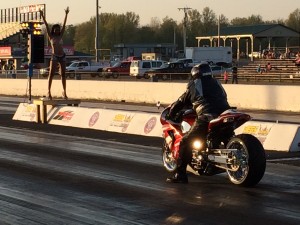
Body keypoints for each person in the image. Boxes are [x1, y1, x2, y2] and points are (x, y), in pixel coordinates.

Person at [166, 62, 231, 183]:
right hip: (224, 113)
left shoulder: (194, 84)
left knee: (185, 142)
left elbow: (181, 101)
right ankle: (216, 163)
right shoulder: (216, 82)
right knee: (222, 135)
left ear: (195, 73)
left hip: (207, 115)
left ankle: (180, 175)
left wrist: (171, 113)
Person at [40, 7, 70, 100]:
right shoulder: (51, 36)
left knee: (63, 74)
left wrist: (66, 15)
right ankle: (48, 91)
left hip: (62, 55)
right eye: (56, 29)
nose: (57, 30)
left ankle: (64, 92)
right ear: (53, 30)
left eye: (58, 29)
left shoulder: (60, 35)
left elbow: (64, 25)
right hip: (54, 56)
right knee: (51, 74)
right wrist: (42, 16)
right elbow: (46, 25)